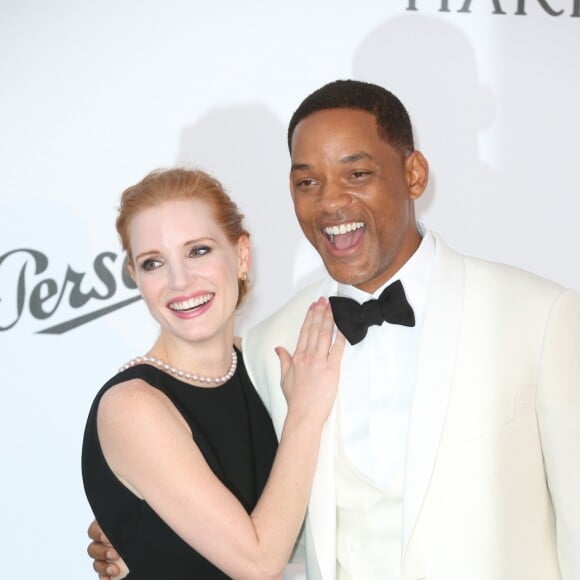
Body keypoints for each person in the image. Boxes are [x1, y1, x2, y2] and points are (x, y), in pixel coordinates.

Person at [88, 81, 580, 579]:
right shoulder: (271, 346)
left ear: (413, 174)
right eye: (308, 182)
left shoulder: (538, 317)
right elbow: (284, 526)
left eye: (357, 173)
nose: (331, 202)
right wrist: (146, 531)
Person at [81, 168, 345, 579]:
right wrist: (305, 416)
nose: (180, 281)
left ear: (241, 256)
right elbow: (257, 563)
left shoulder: (265, 366)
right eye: (153, 263)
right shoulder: (132, 407)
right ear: (136, 276)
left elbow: (297, 527)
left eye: (198, 251)